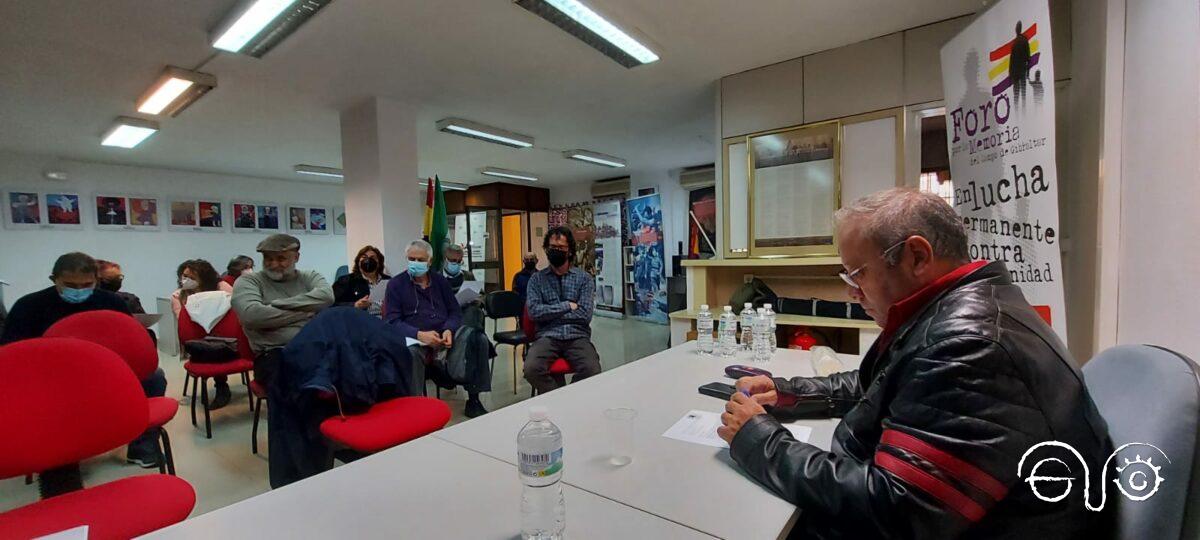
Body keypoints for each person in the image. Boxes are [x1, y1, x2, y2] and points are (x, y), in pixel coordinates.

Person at [718, 189, 1113, 538]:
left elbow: (896, 511)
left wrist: (757, 439)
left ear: (917, 257)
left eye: (857, 274)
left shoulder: (970, 346)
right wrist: (788, 392)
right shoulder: (964, 308)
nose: (851, 293)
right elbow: (886, 382)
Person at [1, 252, 169, 487]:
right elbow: (13, 353)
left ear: (96, 280)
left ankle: (141, 447)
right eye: (70, 285)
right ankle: (59, 461)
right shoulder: (29, 306)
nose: (78, 290)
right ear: (54, 279)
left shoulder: (111, 302)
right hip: (53, 380)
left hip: (105, 372)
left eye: (86, 285)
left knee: (154, 378)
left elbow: (129, 339)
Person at [384, 240, 492, 418]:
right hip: (416, 337)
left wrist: (449, 329)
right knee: (410, 353)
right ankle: (414, 406)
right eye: (411, 259)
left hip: (444, 334)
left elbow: (454, 311)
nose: (415, 263)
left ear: (430, 261)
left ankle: (474, 399)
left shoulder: (440, 282)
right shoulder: (396, 284)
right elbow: (392, 321)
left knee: (477, 338)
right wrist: (419, 335)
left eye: (420, 259)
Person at [231, 233, 334, 386]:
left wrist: (275, 305)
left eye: (281, 259)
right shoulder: (249, 281)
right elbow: (252, 315)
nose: (273, 264)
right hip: (273, 354)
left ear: (296, 257)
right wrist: (307, 311)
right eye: (268, 258)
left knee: (351, 369)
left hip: (314, 347)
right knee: (304, 383)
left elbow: (327, 297)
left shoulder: (309, 276)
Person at [524, 227, 600, 394]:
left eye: (560, 248)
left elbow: (585, 314)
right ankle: (557, 398)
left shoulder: (584, 279)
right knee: (531, 369)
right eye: (552, 247)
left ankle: (567, 398)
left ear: (570, 251)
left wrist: (550, 312)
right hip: (547, 335)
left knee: (592, 369)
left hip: (577, 336)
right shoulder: (536, 280)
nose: (555, 251)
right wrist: (567, 306)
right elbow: (535, 312)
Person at [172, 259, 235, 409]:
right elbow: (184, 324)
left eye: (191, 277)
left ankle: (222, 387)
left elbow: (234, 313)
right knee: (208, 348)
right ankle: (221, 386)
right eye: (184, 276)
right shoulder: (178, 296)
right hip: (198, 342)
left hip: (225, 339)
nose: (185, 280)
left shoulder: (222, 288)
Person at [332, 245, 391, 314]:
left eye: (373, 258)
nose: (368, 260)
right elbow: (331, 304)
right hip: (359, 320)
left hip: (385, 320)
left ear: (379, 263)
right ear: (358, 262)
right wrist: (354, 305)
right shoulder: (346, 281)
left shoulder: (389, 281)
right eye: (364, 257)